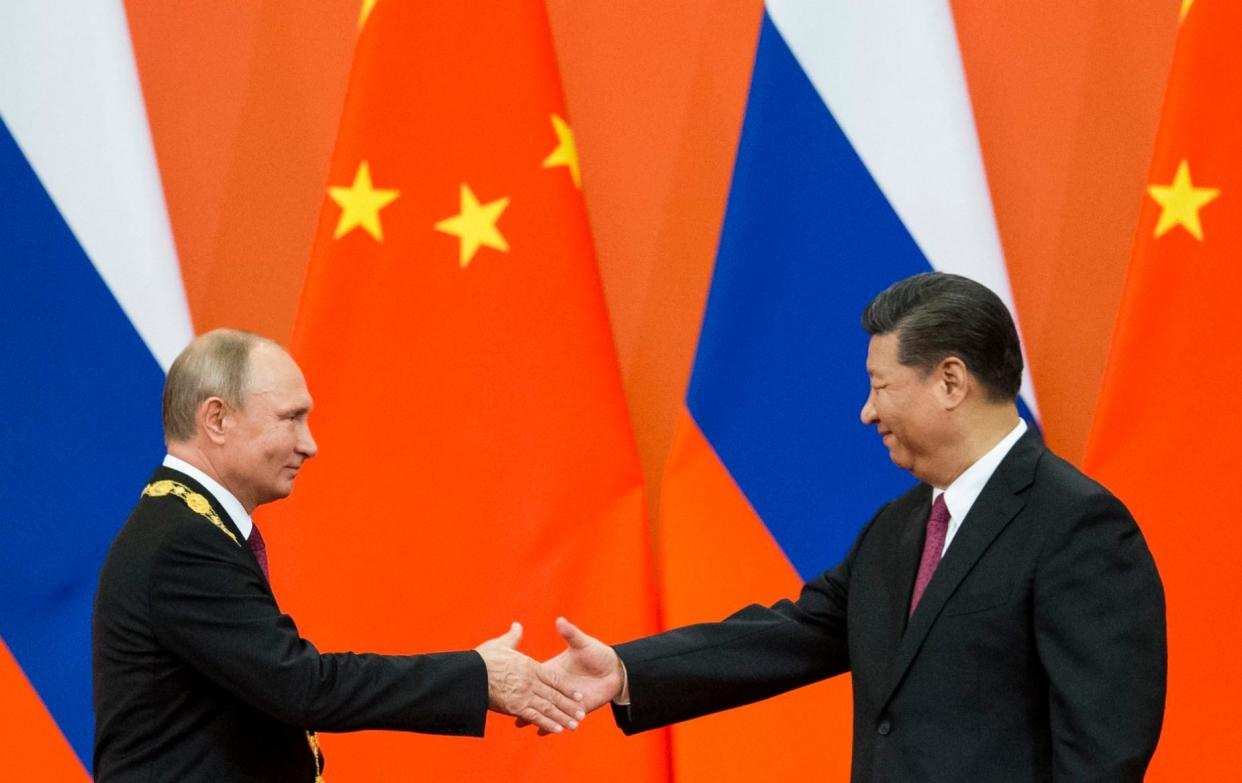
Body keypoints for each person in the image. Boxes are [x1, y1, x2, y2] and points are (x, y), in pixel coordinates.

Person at [539, 272, 1167, 781]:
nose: (867, 412)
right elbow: (792, 634)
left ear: (950, 380)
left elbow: (1104, 750)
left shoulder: (1076, 524)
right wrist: (625, 670)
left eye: (879, 386)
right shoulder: (899, 527)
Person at [93, 329, 584, 782]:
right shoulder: (183, 542)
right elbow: (303, 687)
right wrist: (478, 676)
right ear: (217, 419)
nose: (310, 445)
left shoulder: (185, 525)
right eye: (290, 419)